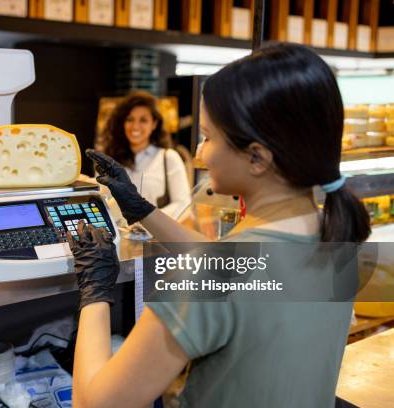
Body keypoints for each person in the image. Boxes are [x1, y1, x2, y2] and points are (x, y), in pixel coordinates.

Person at [68, 43, 371, 408]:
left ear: (257, 157)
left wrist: (95, 292)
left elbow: (96, 403)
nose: (200, 153)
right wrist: (143, 210)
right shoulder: (334, 236)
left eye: (209, 137)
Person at [99, 91, 191, 219]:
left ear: (154, 124)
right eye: (130, 119)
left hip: (156, 236)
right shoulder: (109, 160)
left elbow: (183, 204)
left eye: (143, 120)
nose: (135, 126)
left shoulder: (168, 157)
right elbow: (101, 199)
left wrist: (148, 220)